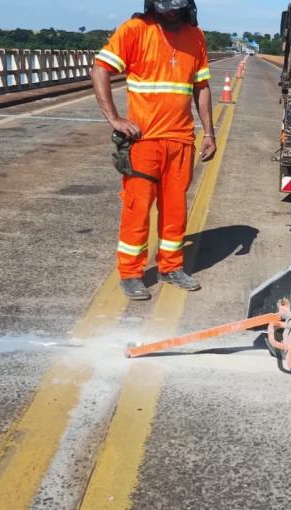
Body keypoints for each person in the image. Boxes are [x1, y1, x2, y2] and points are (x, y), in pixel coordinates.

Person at [91, 0, 216, 301]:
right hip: (144, 141)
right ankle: (131, 273)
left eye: (175, 6)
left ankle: (171, 267)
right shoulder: (135, 29)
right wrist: (115, 118)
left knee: (175, 210)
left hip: (181, 140)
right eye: (164, 7)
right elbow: (100, 69)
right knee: (137, 210)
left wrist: (209, 133)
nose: (170, 12)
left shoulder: (195, 36)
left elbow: (202, 87)